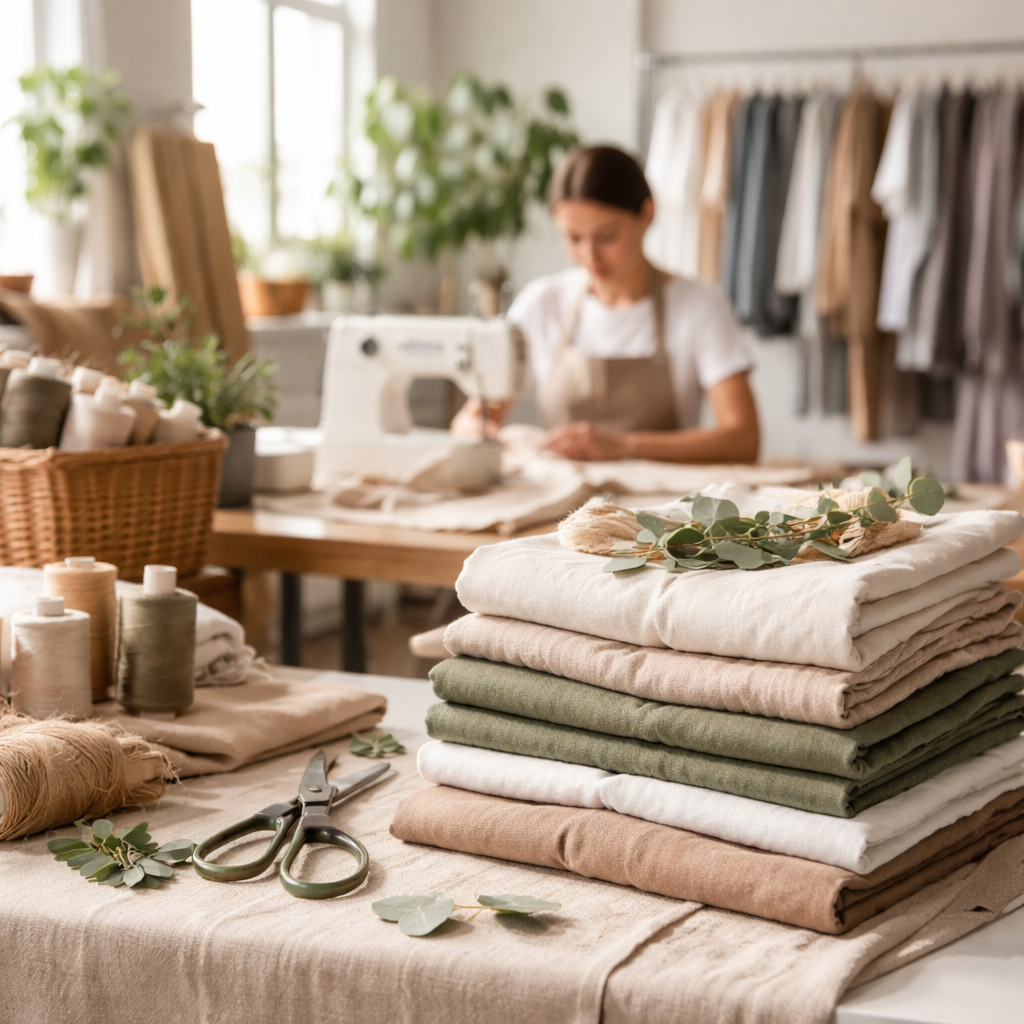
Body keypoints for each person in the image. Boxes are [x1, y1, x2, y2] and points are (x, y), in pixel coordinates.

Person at [451, 144, 760, 463]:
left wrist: (625, 447)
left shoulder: (700, 307)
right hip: (566, 509)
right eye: (573, 238)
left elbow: (744, 439)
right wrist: (484, 435)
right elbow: (470, 419)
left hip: (662, 506)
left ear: (647, 215)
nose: (589, 256)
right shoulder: (542, 303)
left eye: (606, 237)